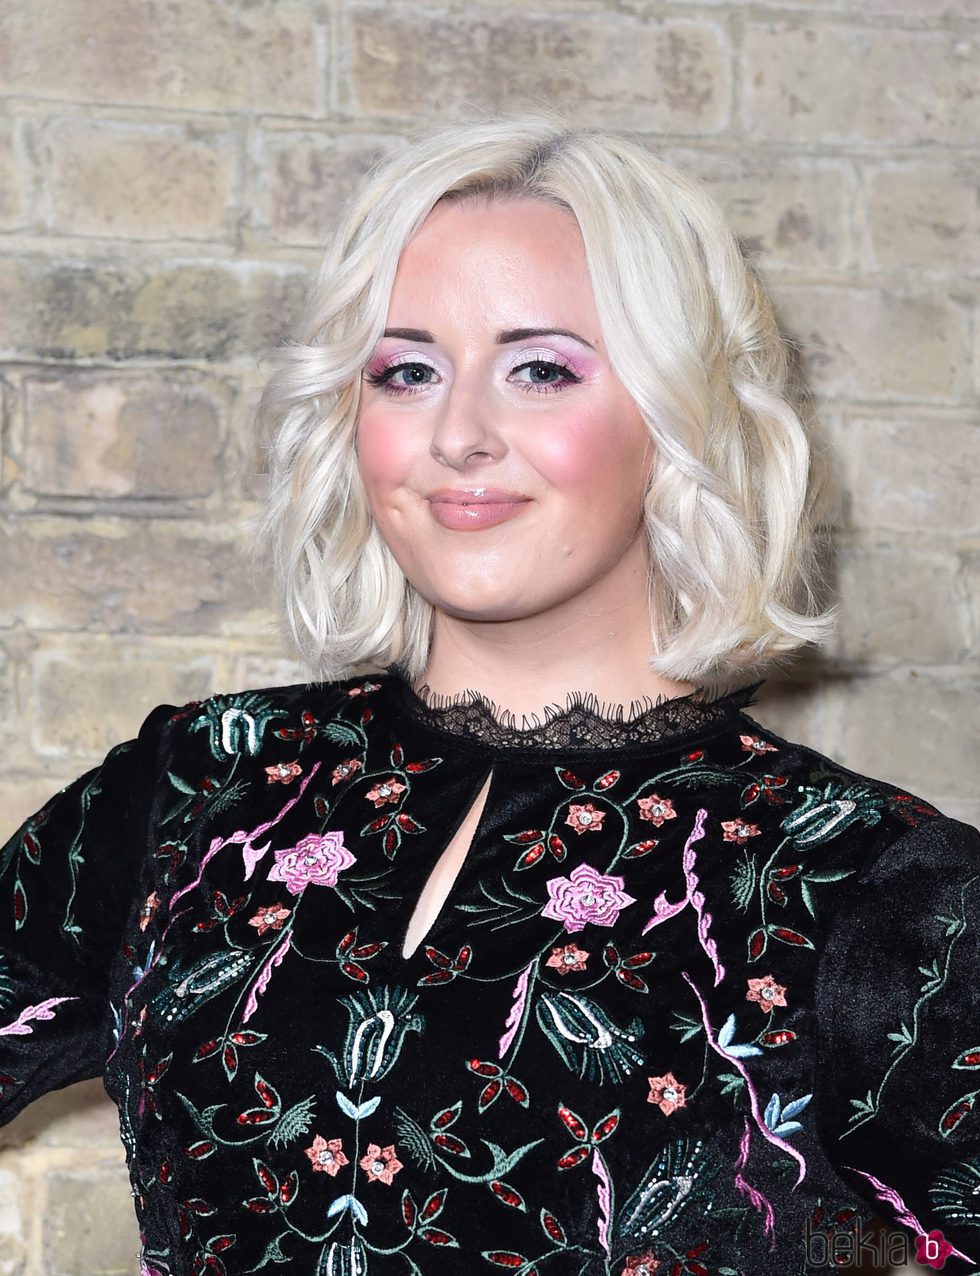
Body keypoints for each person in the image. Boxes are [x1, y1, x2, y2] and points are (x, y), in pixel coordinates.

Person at [1, 111, 977, 1276]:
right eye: (407, 371)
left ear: (675, 417)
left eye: (539, 369)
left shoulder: (865, 882)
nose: (457, 433)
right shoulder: (201, 784)